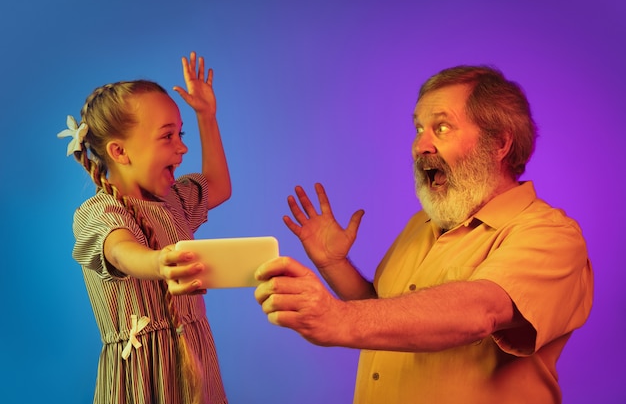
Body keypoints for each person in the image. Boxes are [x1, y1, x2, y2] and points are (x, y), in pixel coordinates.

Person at [254, 65, 593, 404]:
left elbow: (479, 313)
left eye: (441, 127)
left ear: (500, 143)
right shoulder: (421, 225)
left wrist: (335, 318)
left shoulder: (551, 235)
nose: (420, 145)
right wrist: (334, 264)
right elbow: (387, 316)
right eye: (418, 128)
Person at [58, 52, 230, 404]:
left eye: (180, 133)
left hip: (194, 363)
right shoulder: (99, 211)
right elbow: (120, 251)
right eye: (167, 136)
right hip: (142, 374)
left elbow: (219, 185)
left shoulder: (175, 202)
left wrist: (207, 117)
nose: (182, 147)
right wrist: (156, 262)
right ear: (120, 152)